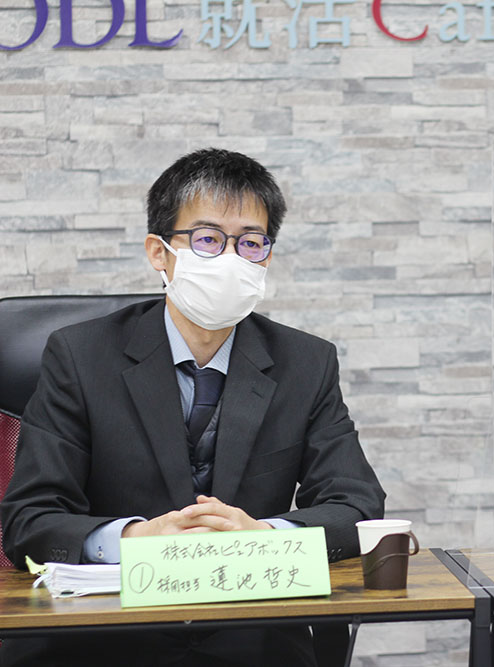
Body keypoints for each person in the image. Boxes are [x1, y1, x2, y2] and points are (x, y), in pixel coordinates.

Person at [0, 148, 386, 666]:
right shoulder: (79, 356)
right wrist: (137, 537)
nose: (231, 258)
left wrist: (264, 535)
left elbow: (357, 506)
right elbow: (28, 520)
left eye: (250, 242)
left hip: (253, 634)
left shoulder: (306, 362)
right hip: (104, 636)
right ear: (159, 253)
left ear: (266, 258)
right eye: (207, 239)